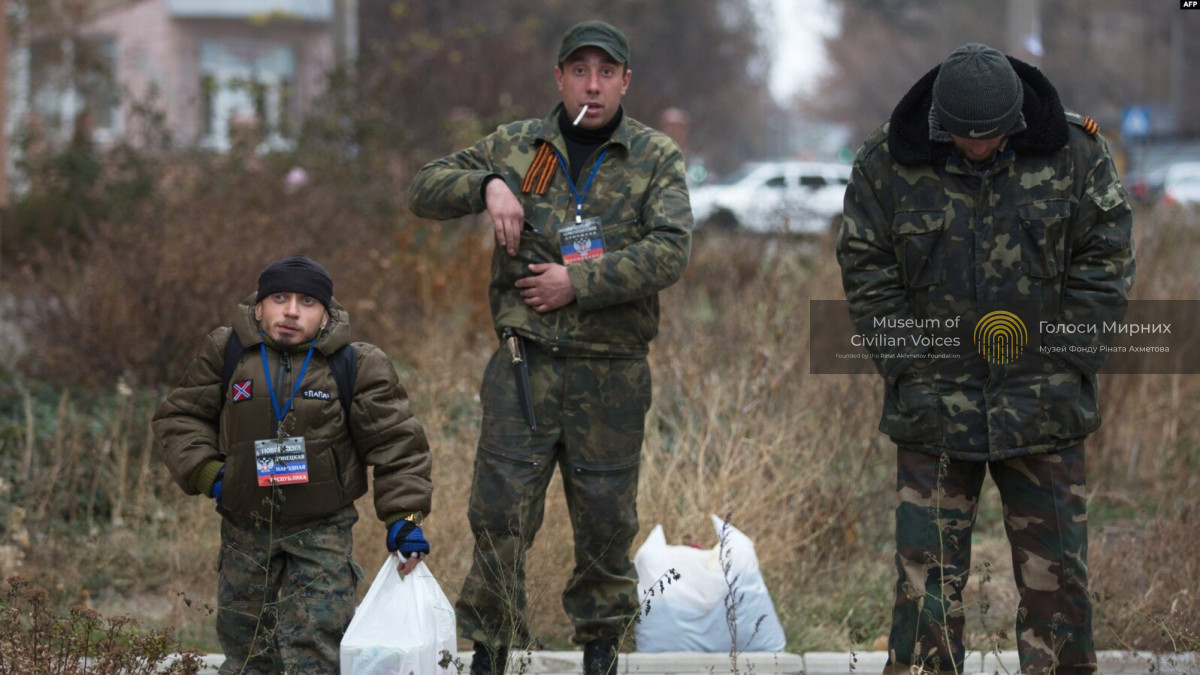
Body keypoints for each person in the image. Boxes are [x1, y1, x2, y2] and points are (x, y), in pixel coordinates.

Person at [837, 43, 1135, 675]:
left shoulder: (1077, 156)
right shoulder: (886, 164)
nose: (977, 148)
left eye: (991, 137)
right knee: (923, 592)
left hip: (1044, 411)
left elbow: (1105, 259)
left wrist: (1069, 360)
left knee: (1058, 590)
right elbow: (867, 271)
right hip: (933, 410)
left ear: (1016, 120)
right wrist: (910, 368)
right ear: (941, 122)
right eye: (963, 138)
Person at [407, 19, 691, 675]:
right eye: (579, 71)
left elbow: (670, 250)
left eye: (606, 72)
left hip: (611, 373)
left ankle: (600, 649)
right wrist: (487, 185)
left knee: (606, 521)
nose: (592, 85)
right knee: (500, 516)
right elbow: (424, 187)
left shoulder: (654, 156)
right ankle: (494, 648)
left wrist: (578, 282)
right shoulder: (516, 145)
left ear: (625, 81)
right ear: (559, 77)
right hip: (523, 366)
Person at [153, 255, 433, 675]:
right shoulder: (226, 350)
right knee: (247, 646)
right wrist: (209, 473)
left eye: (306, 302)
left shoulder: (356, 363)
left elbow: (398, 444)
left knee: (317, 645)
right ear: (259, 306)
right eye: (279, 298)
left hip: (322, 529)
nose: (290, 311)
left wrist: (404, 518)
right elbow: (181, 419)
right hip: (245, 525)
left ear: (325, 315)